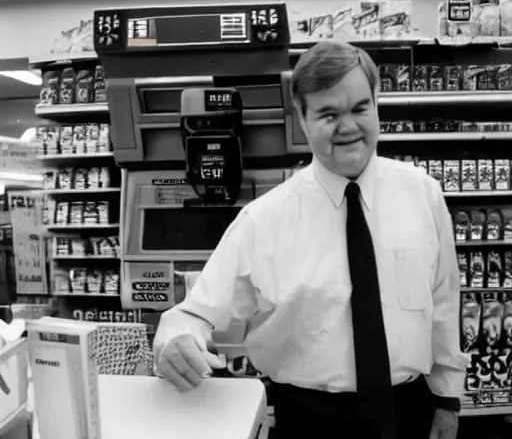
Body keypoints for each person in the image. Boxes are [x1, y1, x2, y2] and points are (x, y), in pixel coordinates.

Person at [153, 41, 468, 439]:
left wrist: (447, 400)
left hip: (411, 412)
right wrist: (176, 339)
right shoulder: (262, 221)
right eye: (328, 114)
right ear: (302, 119)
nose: (349, 126)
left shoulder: (424, 194)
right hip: (310, 420)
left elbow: (443, 301)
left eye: (359, 108)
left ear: (376, 105)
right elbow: (192, 316)